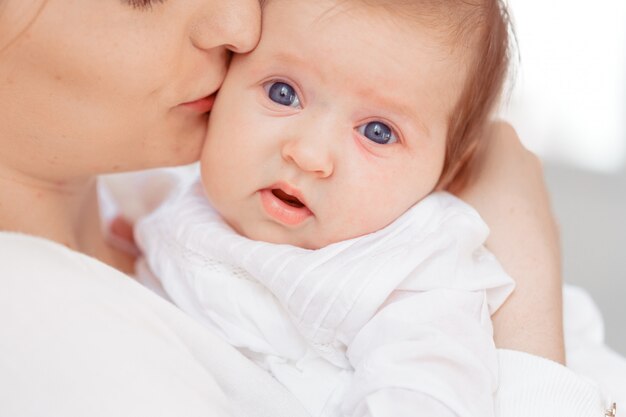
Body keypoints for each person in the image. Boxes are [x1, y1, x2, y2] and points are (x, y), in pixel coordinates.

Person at [0, 0, 613, 416]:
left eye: (377, 132)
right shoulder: (40, 327)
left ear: (448, 170)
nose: (242, 24)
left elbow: (425, 389)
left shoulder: (401, 272)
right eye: (283, 92)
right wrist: (527, 269)